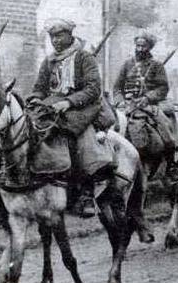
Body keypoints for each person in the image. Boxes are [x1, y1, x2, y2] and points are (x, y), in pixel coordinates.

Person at [29, 18, 114, 215]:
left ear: (70, 35)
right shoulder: (49, 60)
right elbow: (39, 88)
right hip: (52, 106)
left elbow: (93, 89)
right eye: (52, 37)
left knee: (76, 137)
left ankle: (86, 192)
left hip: (82, 108)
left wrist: (68, 102)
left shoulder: (84, 57)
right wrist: (34, 100)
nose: (55, 40)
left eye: (59, 36)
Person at [112, 31, 178, 153]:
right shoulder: (127, 64)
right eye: (137, 46)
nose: (139, 49)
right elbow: (117, 87)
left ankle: (171, 156)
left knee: (164, 127)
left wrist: (148, 98)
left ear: (149, 47)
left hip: (149, 104)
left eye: (143, 46)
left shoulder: (157, 65)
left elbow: (162, 88)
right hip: (127, 105)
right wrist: (119, 101)